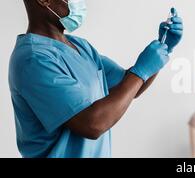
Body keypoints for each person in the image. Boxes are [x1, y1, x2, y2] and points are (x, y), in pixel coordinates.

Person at [8, 0, 183, 158]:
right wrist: (140, 72)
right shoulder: (34, 59)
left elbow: (128, 87)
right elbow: (92, 124)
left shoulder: (80, 47)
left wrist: (164, 47)